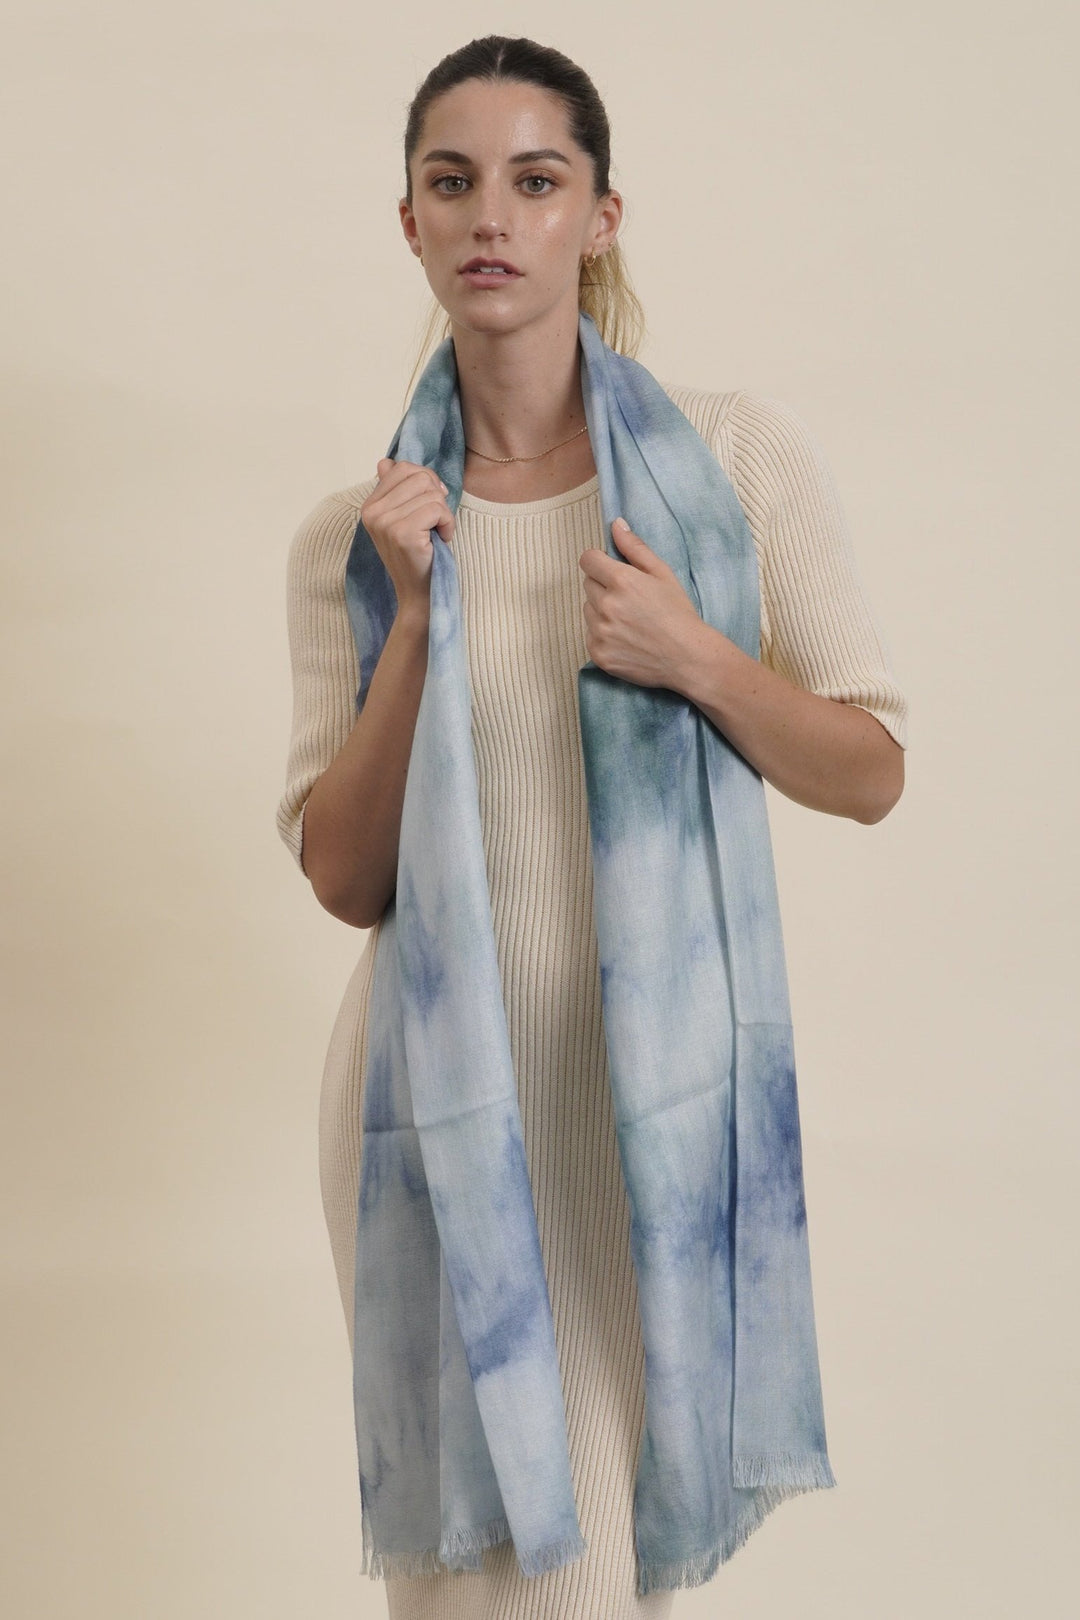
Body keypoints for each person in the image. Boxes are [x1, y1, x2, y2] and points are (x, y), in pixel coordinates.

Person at [276, 33, 908, 1620]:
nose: (492, 215)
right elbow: (345, 876)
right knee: (488, 1589)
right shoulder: (355, 539)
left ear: (600, 217)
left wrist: (696, 655)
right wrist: (419, 619)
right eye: (452, 182)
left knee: (601, 1581)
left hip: (656, 1114)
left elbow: (870, 766)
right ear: (410, 222)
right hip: (439, 1111)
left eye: (536, 180)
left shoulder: (729, 468)